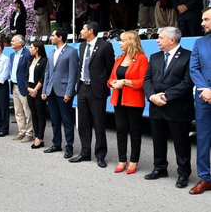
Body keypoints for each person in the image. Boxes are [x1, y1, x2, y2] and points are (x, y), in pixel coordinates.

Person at [143, 27, 194, 189]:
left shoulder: (188, 56)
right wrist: (152, 96)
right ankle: (160, 168)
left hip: (178, 108)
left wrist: (165, 96)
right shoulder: (155, 56)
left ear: (172, 40)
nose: (157, 40)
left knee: (181, 143)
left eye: (161, 38)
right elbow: (147, 80)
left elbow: (187, 82)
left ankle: (183, 173)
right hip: (156, 107)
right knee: (158, 140)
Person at [70, 21, 114, 168]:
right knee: (83, 123)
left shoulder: (105, 46)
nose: (81, 31)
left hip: (97, 90)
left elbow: (110, 68)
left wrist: (102, 83)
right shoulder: (82, 46)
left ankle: (100, 156)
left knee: (99, 123)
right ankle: (85, 153)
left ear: (91, 31)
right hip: (82, 88)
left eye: (83, 29)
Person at [107, 31, 148, 174]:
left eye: (123, 41)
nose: (120, 43)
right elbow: (111, 79)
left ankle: (134, 161)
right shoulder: (119, 58)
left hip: (134, 101)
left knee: (135, 131)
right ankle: (122, 159)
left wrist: (124, 82)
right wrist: (113, 83)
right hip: (118, 100)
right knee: (120, 130)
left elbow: (143, 82)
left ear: (130, 42)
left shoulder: (142, 59)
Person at [41, 29, 78, 158]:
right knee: (55, 120)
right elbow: (47, 73)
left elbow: (73, 74)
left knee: (67, 120)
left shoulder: (71, 52)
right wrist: (44, 90)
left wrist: (69, 92)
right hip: (51, 91)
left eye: (53, 35)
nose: (51, 37)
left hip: (64, 91)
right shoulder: (51, 52)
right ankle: (56, 144)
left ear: (60, 37)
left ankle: (69, 147)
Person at [189, 7, 211, 194]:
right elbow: (194, 69)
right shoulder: (199, 43)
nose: (202, 23)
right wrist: (206, 90)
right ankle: (205, 178)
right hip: (204, 98)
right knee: (203, 138)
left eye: (206, 19)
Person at [10, 34, 33, 142]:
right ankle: (21, 131)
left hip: (23, 87)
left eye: (13, 41)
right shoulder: (12, 55)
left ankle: (29, 133)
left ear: (20, 43)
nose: (11, 43)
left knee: (27, 111)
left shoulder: (27, 54)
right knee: (18, 111)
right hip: (14, 86)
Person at [25, 41, 48, 149]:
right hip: (30, 89)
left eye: (32, 47)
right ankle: (36, 135)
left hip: (38, 89)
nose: (30, 49)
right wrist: (29, 88)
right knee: (34, 114)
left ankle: (40, 137)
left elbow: (43, 77)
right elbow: (25, 75)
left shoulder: (44, 60)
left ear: (37, 49)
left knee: (40, 114)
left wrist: (35, 90)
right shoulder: (30, 60)